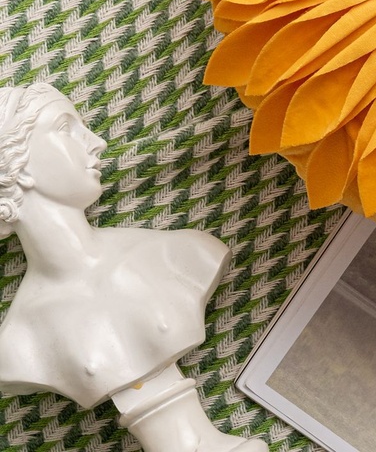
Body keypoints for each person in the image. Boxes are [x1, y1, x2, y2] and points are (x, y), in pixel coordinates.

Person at [0, 83, 267, 452]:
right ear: (17, 166)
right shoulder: (18, 344)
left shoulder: (183, 255)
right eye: (65, 128)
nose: (97, 142)